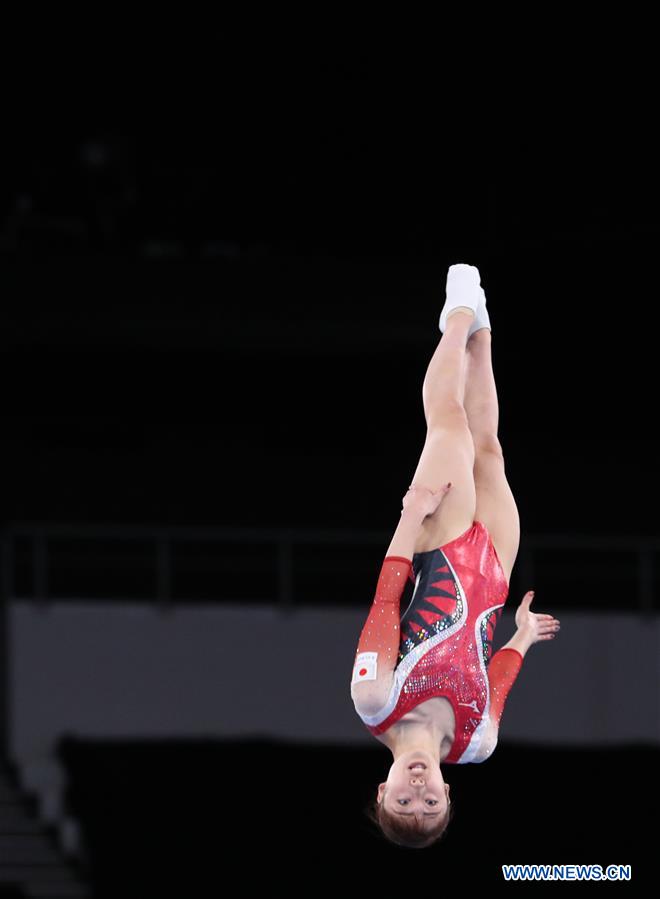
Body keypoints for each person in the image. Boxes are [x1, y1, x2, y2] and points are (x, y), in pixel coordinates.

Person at [349, 263, 561, 849]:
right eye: (430, 803)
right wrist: (520, 637)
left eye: (403, 801)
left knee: (449, 426)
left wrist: (409, 517)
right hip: (494, 566)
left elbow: (386, 600)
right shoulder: (478, 743)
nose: (418, 790)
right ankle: (484, 334)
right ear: (448, 794)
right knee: (489, 448)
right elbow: (497, 680)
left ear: (381, 791)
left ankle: (458, 312)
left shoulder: (375, 700)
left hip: (436, 544)